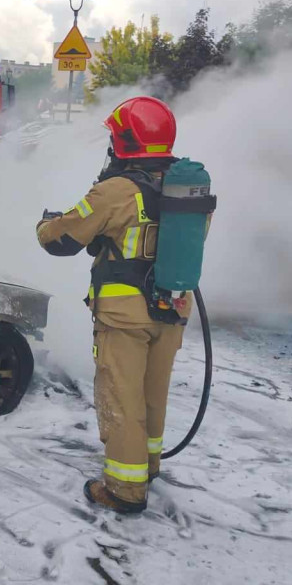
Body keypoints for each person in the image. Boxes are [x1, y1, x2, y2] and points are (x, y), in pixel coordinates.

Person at [35, 96, 194, 514]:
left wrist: (45, 224)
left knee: (122, 398)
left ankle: (125, 489)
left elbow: (61, 241)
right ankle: (148, 465)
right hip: (173, 307)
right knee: (152, 393)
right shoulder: (186, 186)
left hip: (125, 314)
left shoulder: (117, 190)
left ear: (125, 140)